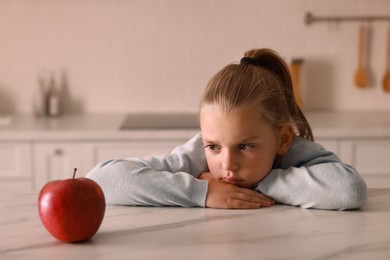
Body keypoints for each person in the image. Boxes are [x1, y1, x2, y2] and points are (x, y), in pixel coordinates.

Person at [86, 48, 367, 210]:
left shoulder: (293, 150)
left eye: (245, 146)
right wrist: (203, 192)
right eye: (214, 147)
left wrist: (263, 183)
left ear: (281, 139)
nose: (227, 165)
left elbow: (350, 191)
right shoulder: (196, 155)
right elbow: (101, 180)